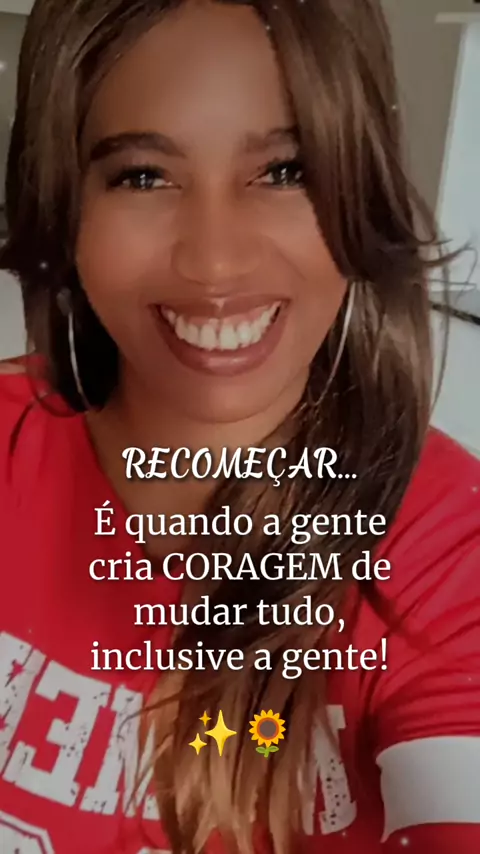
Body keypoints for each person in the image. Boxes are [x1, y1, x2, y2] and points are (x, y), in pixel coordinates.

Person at [0, 0, 479, 852]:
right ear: (65, 206)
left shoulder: (452, 555)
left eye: (287, 170)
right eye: (142, 176)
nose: (215, 262)